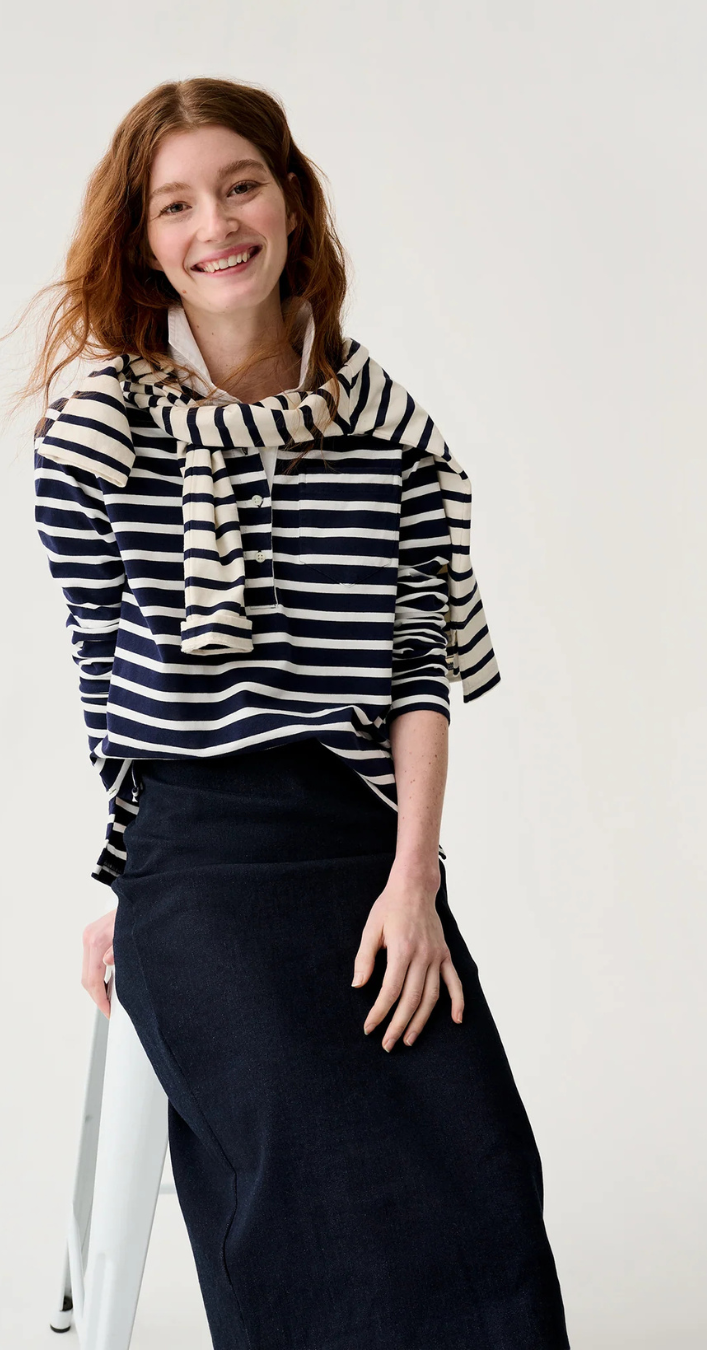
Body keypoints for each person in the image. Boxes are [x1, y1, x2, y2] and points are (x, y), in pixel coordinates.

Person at [28, 76, 571, 1350]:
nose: (215, 224)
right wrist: (128, 885)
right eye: (175, 204)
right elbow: (106, 682)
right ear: (143, 238)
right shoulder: (99, 430)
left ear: (290, 202)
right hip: (198, 858)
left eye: (240, 187)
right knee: (307, 1193)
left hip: (360, 848)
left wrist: (414, 881)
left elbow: (417, 672)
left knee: (482, 1172)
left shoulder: (395, 435)